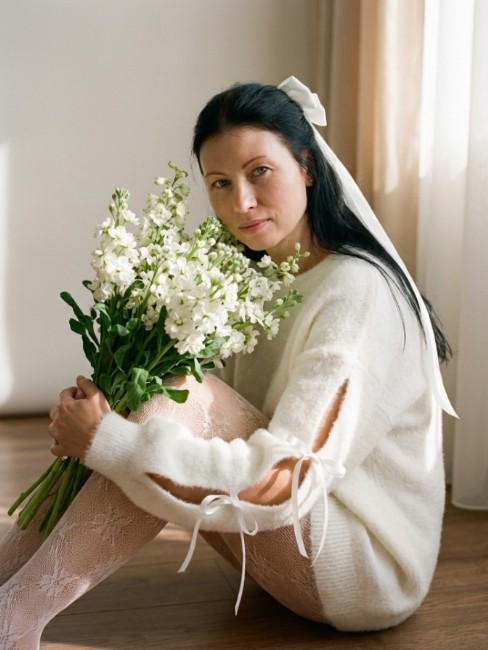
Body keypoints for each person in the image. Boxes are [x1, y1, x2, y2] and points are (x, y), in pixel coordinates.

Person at [0, 76, 456, 647]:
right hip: (289, 545)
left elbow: (286, 482)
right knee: (144, 395)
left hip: (363, 572)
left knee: (168, 398)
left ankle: (11, 622)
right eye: (220, 183)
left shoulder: (356, 294)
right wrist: (110, 407)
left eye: (259, 171)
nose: (241, 202)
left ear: (307, 167)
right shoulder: (253, 280)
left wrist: (106, 440)